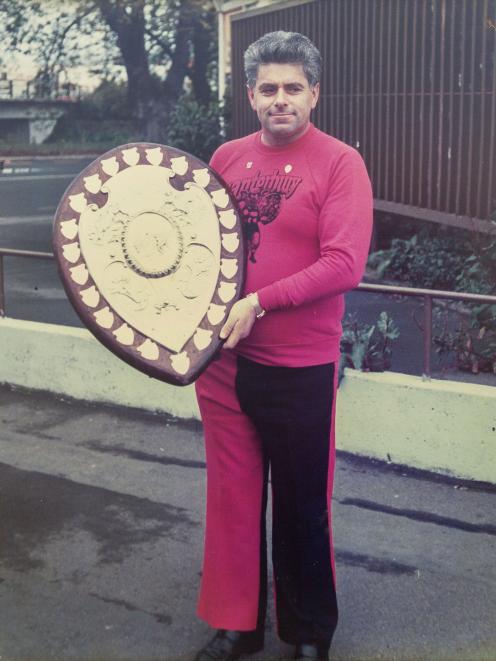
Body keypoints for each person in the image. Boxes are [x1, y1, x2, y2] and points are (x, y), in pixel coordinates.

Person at [194, 31, 373, 661]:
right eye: (267, 88)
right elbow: (199, 251)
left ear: (314, 93)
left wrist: (260, 302)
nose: (280, 100)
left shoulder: (340, 163)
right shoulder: (225, 158)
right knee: (233, 497)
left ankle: (305, 634)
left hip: (298, 364)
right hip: (223, 363)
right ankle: (236, 625)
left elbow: (345, 263)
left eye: (292, 88)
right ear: (250, 95)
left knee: (301, 505)